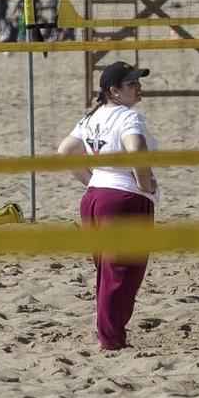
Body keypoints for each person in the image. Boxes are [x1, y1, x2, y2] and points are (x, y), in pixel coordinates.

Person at [57, 62, 159, 350]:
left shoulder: (92, 117)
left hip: (94, 199)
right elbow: (136, 150)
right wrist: (145, 185)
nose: (139, 87)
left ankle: (110, 335)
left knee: (108, 273)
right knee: (122, 276)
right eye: (131, 84)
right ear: (113, 91)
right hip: (123, 201)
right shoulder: (128, 117)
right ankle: (111, 341)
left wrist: (91, 180)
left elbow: (65, 152)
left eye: (138, 81)